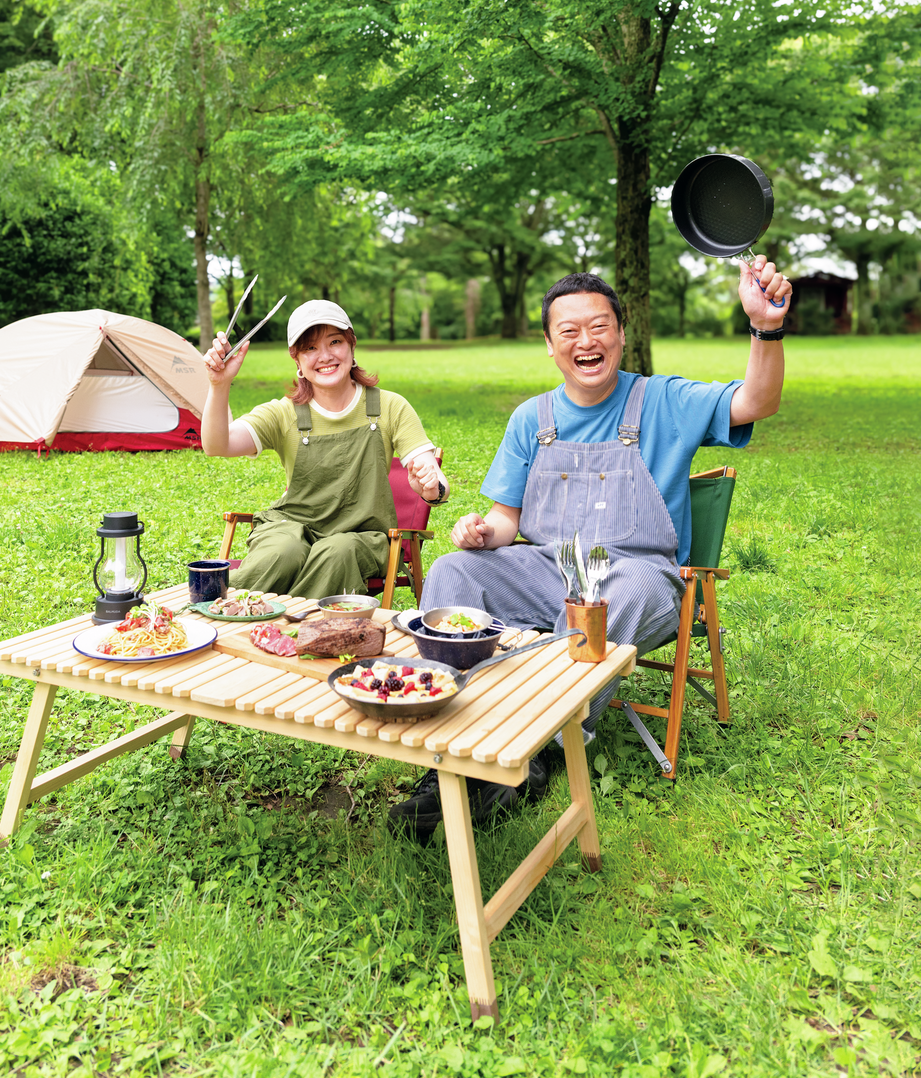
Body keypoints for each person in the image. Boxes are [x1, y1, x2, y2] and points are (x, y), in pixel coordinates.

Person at [389, 257, 791, 843]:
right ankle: (452, 736)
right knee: (453, 569)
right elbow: (507, 522)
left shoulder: (665, 401)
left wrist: (766, 328)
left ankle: (537, 751)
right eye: (569, 331)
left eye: (600, 326)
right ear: (550, 345)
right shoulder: (533, 418)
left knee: (606, 595)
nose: (586, 340)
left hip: (639, 572)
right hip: (550, 567)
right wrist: (480, 533)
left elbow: (757, 401)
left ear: (622, 336)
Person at [201, 299, 448, 599]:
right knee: (283, 551)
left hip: (361, 539)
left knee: (336, 552)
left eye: (335, 341)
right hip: (290, 527)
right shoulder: (285, 413)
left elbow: (433, 477)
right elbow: (217, 445)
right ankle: (216, 612)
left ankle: (295, 627)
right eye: (310, 348)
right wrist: (219, 384)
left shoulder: (389, 407)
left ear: (352, 346)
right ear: (297, 361)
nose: (325, 356)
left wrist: (431, 486)